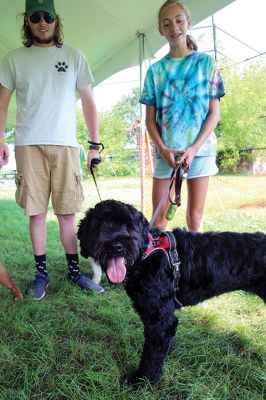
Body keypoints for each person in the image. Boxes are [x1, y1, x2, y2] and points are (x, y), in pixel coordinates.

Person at [0, 0, 104, 300]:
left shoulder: (74, 55)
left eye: (47, 16)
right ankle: (41, 274)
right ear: (27, 21)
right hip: (27, 145)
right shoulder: (13, 59)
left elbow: (88, 101)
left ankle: (74, 273)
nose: (41, 22)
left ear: (56, 20)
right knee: (35, 214)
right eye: (35, 17)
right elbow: (2, 102)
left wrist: (95, 145)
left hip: (66, 145)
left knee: (67, 213)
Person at [140, 0, 225, 232]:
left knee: (194, 219)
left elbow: (213, 113)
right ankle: (158, 267)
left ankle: (194, 269)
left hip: (200, 152)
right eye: (166, 24)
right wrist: (164, 150)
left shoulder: (205, 63)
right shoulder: (155, 71)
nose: (173, 27)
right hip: (166, 155)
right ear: (160, 30)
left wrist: (194, 149)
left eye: (179, 20)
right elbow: (150, 120)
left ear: (188, 22)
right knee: (158, 222)